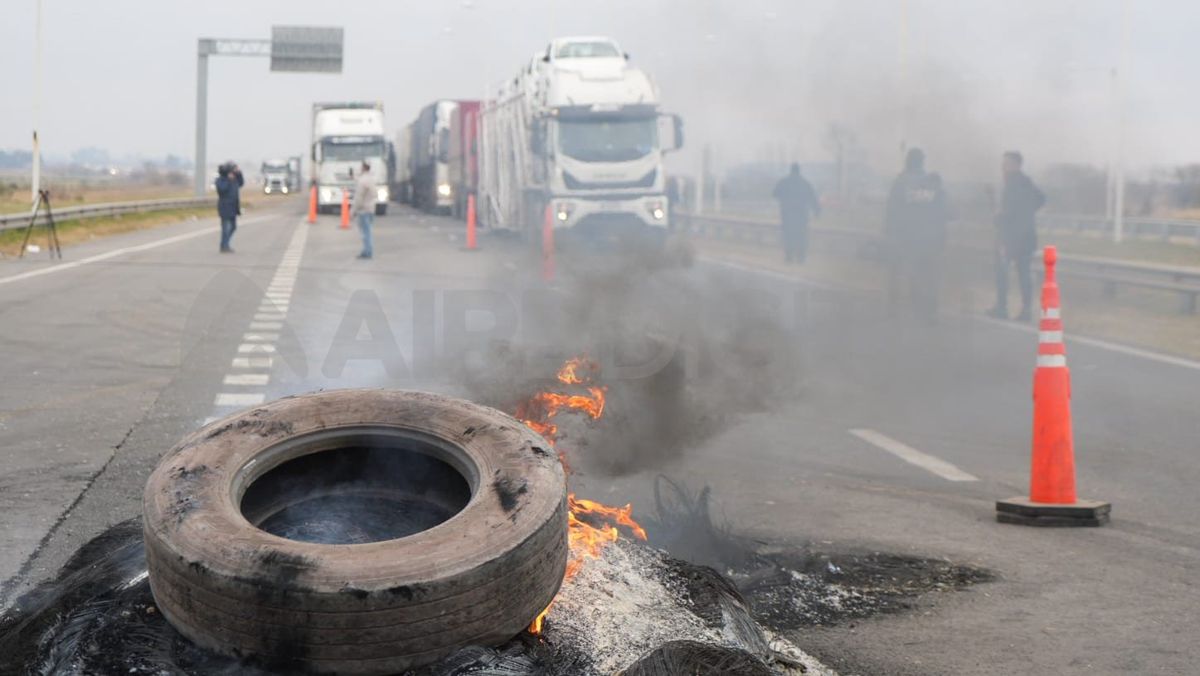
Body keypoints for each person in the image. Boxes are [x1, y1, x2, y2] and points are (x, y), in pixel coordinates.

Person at [884, 148, 948, 323]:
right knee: (929, 275)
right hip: (932, 238)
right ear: (922, 162)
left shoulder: (901, 182)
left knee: (907, 272)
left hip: (908, 237)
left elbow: (892, 211)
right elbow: (946, 210)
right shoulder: (932, 183)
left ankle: (902, 309)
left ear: (907, 161)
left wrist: (890, 234)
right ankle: (929, 310)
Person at [988, 151, 1045, 321]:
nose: (1003, 167)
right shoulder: (1027, 182)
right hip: (1027, 235)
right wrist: (1028, 213)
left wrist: (1000, 217)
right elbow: (1041, 199)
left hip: (1011, 237)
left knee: (1002, 271)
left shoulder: (1012, 184)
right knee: (1023, 273)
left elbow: (1009, 213)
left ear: (1016, 165)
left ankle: (1002, 307)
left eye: (1006, 163)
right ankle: (1026, 311)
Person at [772, 163, 821, 263]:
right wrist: (817, 211)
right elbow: (813, 198)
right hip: (801, 214)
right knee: (801, 235)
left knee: (788, 235)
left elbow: (775, 193)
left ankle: (789, 256)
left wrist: (783, 198)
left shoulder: (784, 182)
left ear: (791, 170)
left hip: (787, 214)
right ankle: (801, 257)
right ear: (799, 171)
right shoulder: (805, 183)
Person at [215, 162, 243, 253]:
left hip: (233, 207)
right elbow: (222, 190)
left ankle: (224, 244)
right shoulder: (221, 180)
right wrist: (228, 179)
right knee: (225, 228)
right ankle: (224, 246)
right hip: (225, 207)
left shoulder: (234, 179)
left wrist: (239, 173)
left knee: (233, 227)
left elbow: (241, 183)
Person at [352, 161, 377, 259]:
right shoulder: (371, 179)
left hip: (363, 210)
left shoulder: (362, 181)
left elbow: (358, 198)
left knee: (365, 233)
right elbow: (375, 194)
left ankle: (367, 252)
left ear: (363, 168)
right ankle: (367, 250)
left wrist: (353, 211)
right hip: (371, 209)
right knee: (368, 231)